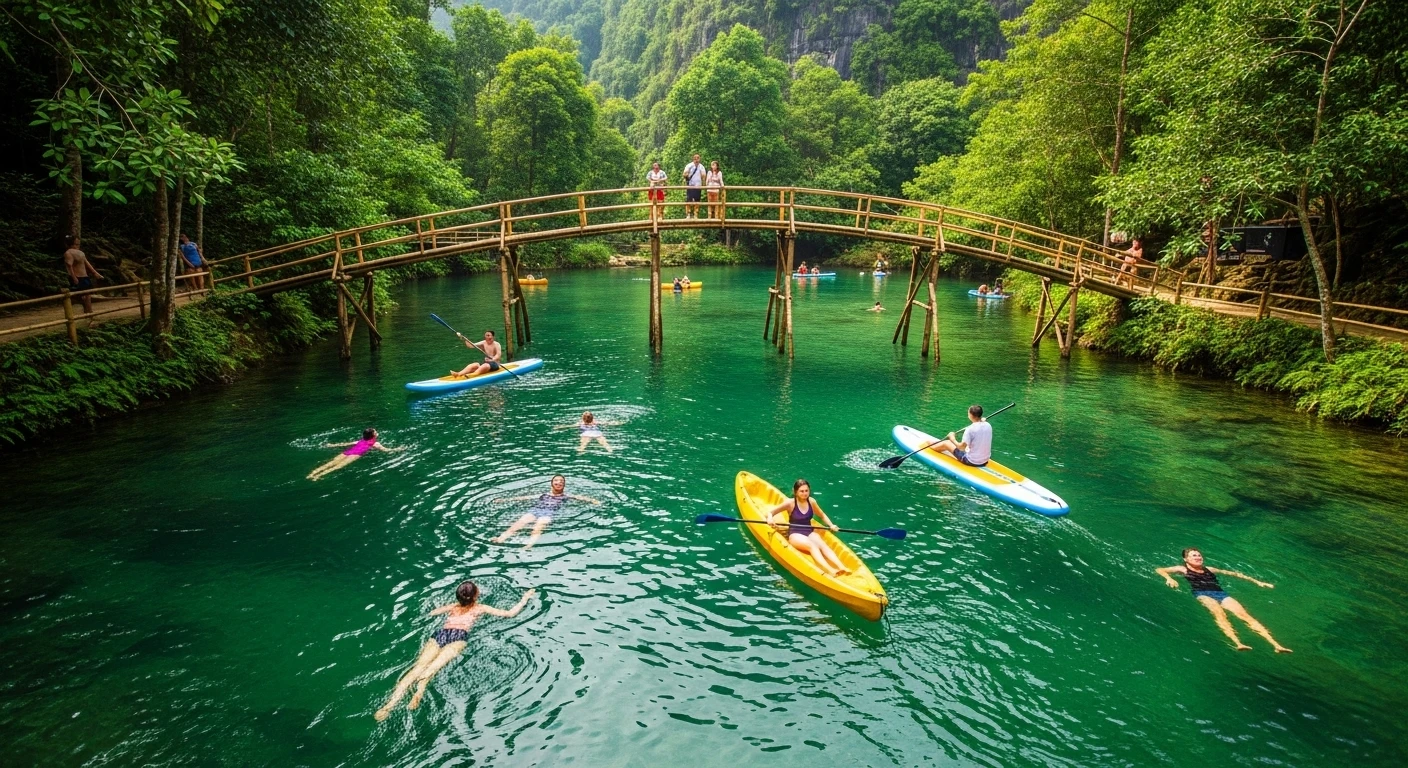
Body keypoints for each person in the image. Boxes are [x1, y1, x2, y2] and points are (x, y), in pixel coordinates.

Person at [375, 581, 536, 720]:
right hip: (458, 636)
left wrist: (436, 606)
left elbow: (433, 612)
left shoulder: (453, 606)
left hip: (441, 634)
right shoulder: (480, 608)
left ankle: (388, 706)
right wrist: (525, 598)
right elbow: (509, 613)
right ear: (475, 596)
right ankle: (419, 692)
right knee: (433, 668)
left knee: (417, 668)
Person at [1156, 548, 1291, 653]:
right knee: (1220, 614)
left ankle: (1276, 645)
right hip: (1202, 594)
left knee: (1245, 616)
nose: (1198, 557)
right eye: (1194, 555)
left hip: (1220, 593)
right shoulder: (1182, 569)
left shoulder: (1209, 569)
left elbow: (1234, 574)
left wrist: (1258, 582)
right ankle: (1238, 643)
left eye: (1199, 555)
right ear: (1186, 559)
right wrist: (1169, 578)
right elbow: (1160, 569)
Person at [765, 479, 849, 578]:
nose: (805, 494)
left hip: (809, 531)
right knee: (812, 546)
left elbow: (821, 515)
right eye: (801, 491)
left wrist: (831, 525)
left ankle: (842, 567)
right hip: (795, 534)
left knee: (822, 545)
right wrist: (770, 519)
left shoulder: (812, 501)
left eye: (806, 491)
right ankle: (829, 570)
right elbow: (770, 513)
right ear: (795, 492)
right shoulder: (790, 503)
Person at [491, 475, 601, 549]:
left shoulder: (566, 496)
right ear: (552, 484)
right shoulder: (543, 494)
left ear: (564, 485)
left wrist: (594, 501)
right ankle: (501, 538)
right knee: (519, 523)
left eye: (561, 481)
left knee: (539, 526)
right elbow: (525, 497)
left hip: (549, 512)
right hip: (535, 510)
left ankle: (529, 545)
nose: (559, 482)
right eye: (556, 481)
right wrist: (505, 500)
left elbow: (580, 497)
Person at [307, 428, 403, 481]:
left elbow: (346, 444)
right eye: (375, 432)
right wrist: (398, 449)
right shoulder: (375, 443)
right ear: (373, 435)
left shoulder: (361, 440)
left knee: (331, 463)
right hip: (355, 454)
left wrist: (332, 445)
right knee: (337, 467)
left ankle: (312, 473)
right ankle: (317, 476)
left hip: (347, 452)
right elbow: (387, 450)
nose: (377, 432)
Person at [923, 404, 992, 467]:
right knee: (967, 445)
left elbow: (961, 448)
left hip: (971, 461)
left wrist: (952, 438)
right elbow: (980, 426)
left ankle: (929, 444)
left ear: (971, 415)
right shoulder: (988, 425)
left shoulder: (970, 429)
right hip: (985, 461)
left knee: (947, 443)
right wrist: (982, 420)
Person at [62, 235, 103, 314]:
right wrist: (74, 278)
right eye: (76, 243)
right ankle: (73, 313)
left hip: (84, 277)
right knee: (78, 296)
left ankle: (89, 312)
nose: (78, 245)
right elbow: (69, 266)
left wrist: (95, 273)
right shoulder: (68, 253)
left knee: (87, 295)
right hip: (77, 277)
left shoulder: (81, 253)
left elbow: (86, 263)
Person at [681, 154, 706, 219]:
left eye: (698, 158)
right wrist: (686, 174)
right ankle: (688, 214)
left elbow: (703, 176)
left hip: (698, 186)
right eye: (695, 158)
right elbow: (684, 174)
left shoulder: (701, 166)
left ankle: (695, 214)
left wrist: (703, 184)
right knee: (689, 200)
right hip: (690, 185)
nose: (696, 159)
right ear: (693, 159)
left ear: (699, 159)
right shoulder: (689, 165)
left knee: (697, 200)